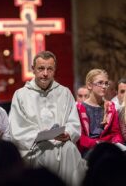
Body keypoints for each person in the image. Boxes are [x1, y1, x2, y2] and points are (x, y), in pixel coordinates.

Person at [9, 51, 86, 186]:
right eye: (41, 68)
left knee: (70, 149)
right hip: (35, 147)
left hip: (62, 145)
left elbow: (73, 123)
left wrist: (68, 133)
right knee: (47, 150)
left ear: (54, 70)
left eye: (49, 69)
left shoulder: (65, 93)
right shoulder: (21, 95)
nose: (45, 73)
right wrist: (41, 136)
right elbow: (17, 128)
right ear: (33, 69)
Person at [76, 69, 123, 157]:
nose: (104, 86)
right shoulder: (80, 108)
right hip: (89, 149)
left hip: (108, 147)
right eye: (100, 83)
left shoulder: (110, 107)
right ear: (89, 85)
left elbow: (115, 132)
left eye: (106, 83)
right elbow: (79, 136)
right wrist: (97, 144)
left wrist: (116, 142)